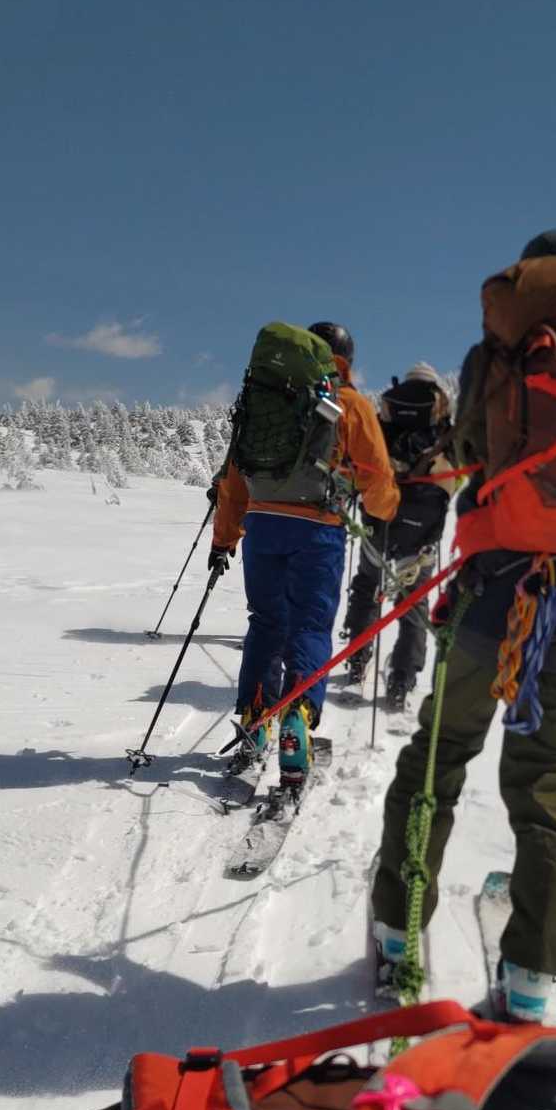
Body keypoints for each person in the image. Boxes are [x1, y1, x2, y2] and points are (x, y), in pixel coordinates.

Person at [370, 232, 556, 1019]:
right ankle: (531, 977)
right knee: (548, 777)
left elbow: (467, 446)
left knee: (439, 754)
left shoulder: (492, 357)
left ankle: (397, 930)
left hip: (493, 589)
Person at [211, 321, 399, 780]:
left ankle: (255, 718)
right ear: (346, 360)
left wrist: (224, 539)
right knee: (310, 626)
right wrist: (384, 510)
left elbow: (234, 478)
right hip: (318, 529)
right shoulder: (348, 403)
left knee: (265, 622)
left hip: (262, 525)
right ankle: (297, 722)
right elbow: (377, 479)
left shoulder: (265, 397)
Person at [340, 363, 459, 710]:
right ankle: (402, 678)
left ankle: (358, 656)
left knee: (367, 583)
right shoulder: (442, 414)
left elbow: (366, 455)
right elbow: (455, 469)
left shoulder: (387, 409)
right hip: (423, 523)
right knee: (414, 598)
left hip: (380, 513)